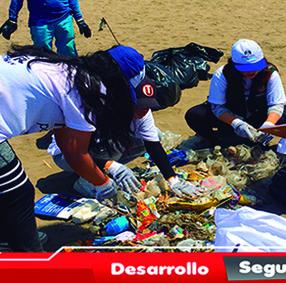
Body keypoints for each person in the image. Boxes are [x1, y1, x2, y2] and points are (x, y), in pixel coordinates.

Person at [0, 44, 145, 252]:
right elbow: (76, 154)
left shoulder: (68, 70)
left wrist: (100, 177)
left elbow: (65, 137)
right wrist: (103, 184)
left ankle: (1, 242)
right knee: (19, 192)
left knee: (2, 186)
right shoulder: (87, 90)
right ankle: (31, 257)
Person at [48, 77, 204, 198]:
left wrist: (173, 180)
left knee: (155, 134)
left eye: (147, 105)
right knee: (118, 142)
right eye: (138, 105)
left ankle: (101, 171)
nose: (143, 111)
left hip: (101, 149)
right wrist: (114, 167)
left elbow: (153, 145)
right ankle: (89, 178)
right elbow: (75, 152)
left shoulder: (143, 111)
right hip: (67, 155)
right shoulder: (101, 109)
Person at [185, 39, 286, 147]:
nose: (251, 72)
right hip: (231, 114)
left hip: (257, 114)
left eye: (255, 67)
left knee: (283, 121)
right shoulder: (222, 74)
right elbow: (217, 106)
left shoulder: (270, 73)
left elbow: (276, 105)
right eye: (245, 68)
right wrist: (236, 123)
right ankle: (215, 141)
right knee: (194, 115)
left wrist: (268, 125)